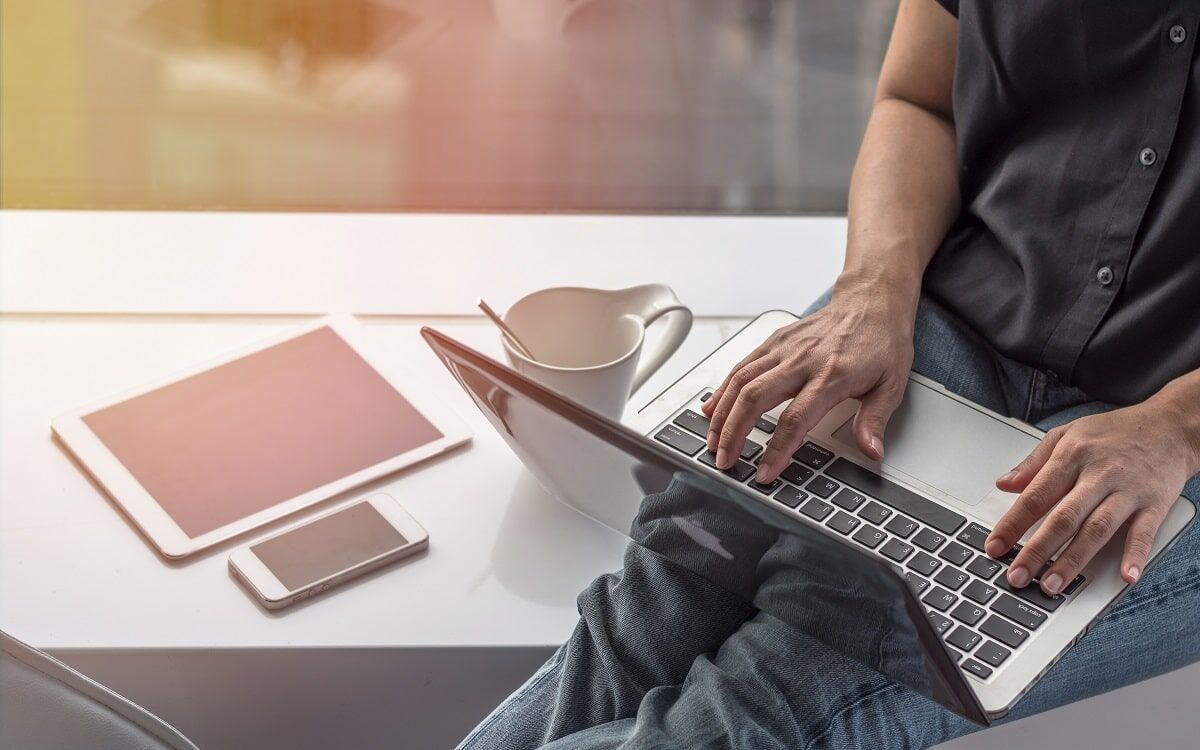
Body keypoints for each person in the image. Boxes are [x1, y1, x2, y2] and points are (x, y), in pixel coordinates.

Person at [458, 1, 1200, 746]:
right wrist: (873, 285)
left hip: (1173, 429)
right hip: (943, 313)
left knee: (774, 704)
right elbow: (918, 96)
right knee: (659, 599)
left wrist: (1179, 423)